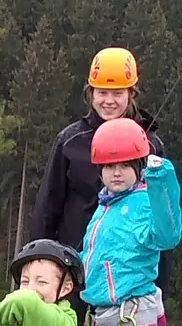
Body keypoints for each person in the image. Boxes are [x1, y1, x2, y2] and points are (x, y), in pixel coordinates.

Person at [81, 119, 182, 326]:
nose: (117, 172)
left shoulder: (142, 202)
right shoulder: (105, 206)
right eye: (109, 165)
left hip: (132, 320)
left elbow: (168, 235)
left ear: (139, 166)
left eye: (126, 164)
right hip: (109, 319)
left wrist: (162, 180)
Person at [30, 47, 167, 253]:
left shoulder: (150, 146)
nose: (109, 101)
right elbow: (48, 208)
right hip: (75, 267)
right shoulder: (69, 142)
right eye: (102, 92)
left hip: (129, 269)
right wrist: (37, 261)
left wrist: (160, 281)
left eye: (117, 93)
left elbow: (162, 217)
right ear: (90, 93)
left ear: (131, 94)